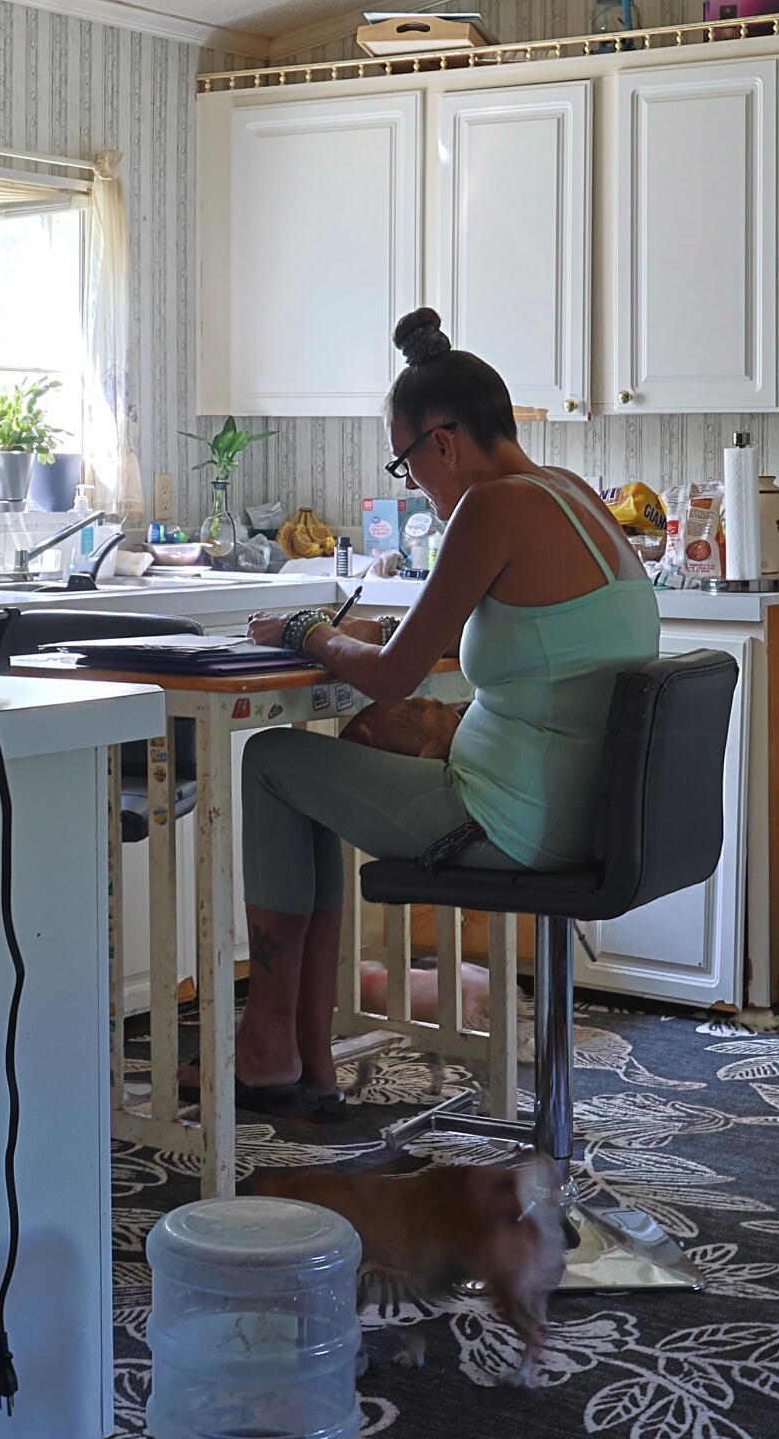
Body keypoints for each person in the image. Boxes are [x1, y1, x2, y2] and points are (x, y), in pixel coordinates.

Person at [198, 308, 661, 1117]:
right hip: (587, 809)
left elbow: (391, 677)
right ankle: (304, 1047)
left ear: (441, 443)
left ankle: (271, 1036)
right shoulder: (572, 494)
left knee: (273, 762)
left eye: (406, 467)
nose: (416, 488)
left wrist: (310, 630)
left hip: (512, 819)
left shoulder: (491, 509)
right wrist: (361, 636)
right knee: (311, 782)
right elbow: (480, 632)